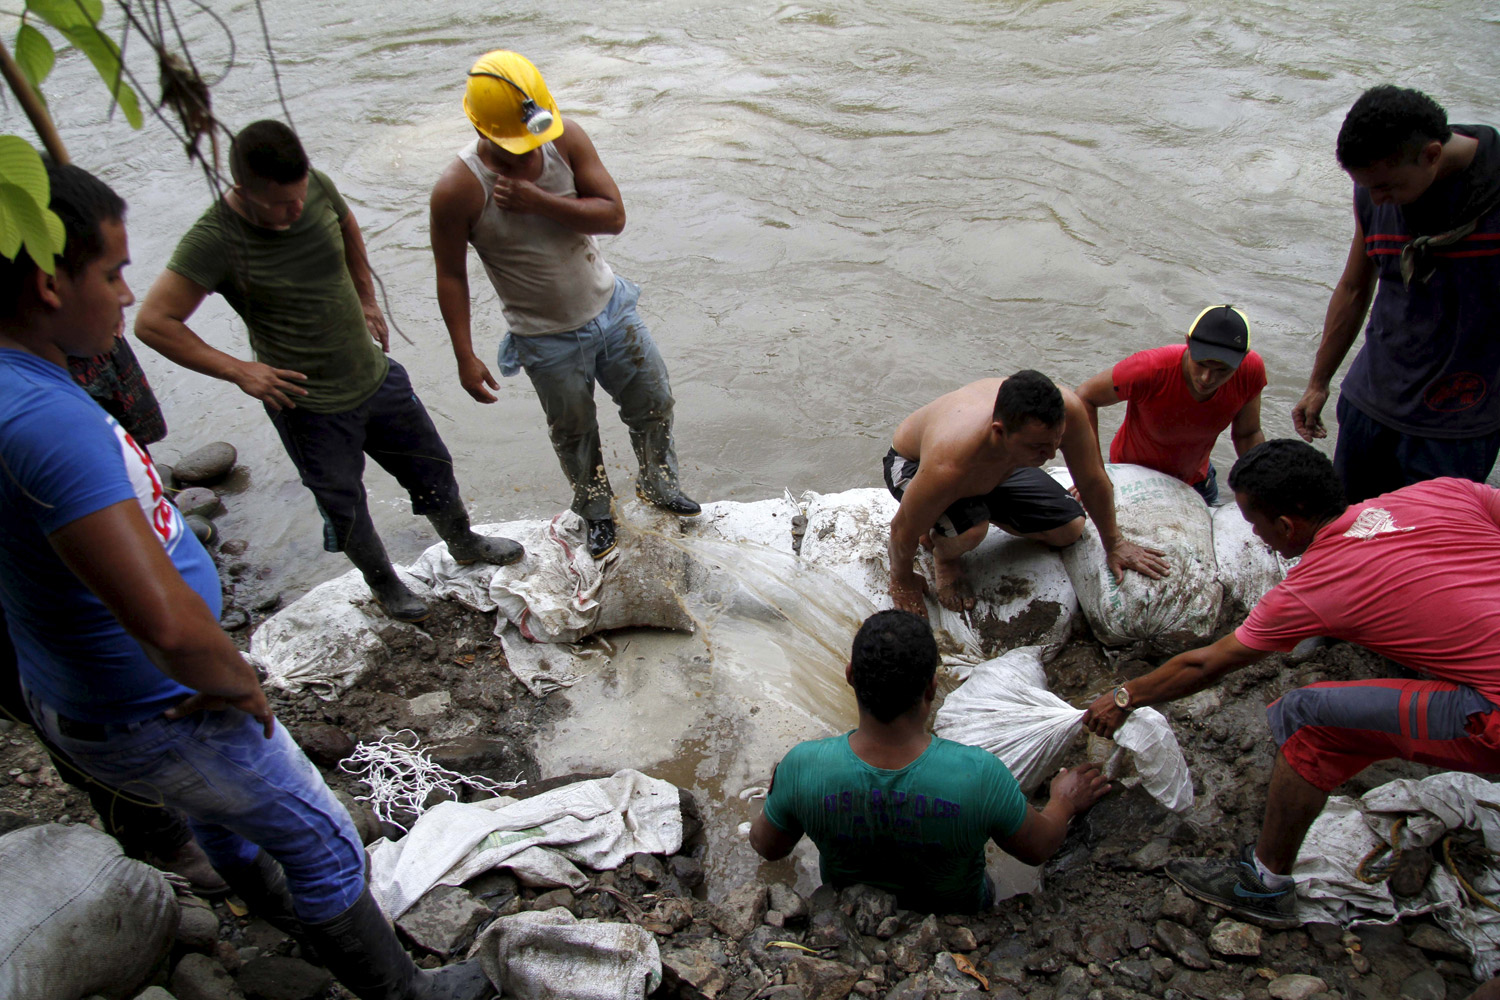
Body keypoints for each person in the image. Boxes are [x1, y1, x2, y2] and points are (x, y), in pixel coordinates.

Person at [0, 162, 491, 999]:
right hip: (161, 701)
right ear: (49, 283)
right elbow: (162, 623)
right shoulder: (45, 421)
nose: (125, 296)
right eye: (114, 273)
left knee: (219, 811)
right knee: (324, 837)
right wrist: (235, 683)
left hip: (92, 695)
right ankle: (402, 992)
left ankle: (269, 905)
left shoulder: (21, 387)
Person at [1081, 439, 1500, 928]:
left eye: (1257, 526)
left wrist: (1125, 695)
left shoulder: (1315, 585)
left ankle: (1262, 885)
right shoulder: (1442, 494)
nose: (1257, 539)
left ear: (1285, 526)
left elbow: (1206, 666)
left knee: (1306, 718)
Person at [136, 120, 521, 624]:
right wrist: (239, 371)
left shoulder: (313, 185)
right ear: (242, 189)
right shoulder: (215, 239)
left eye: (299, 198)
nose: (295, 210)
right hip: (307, 405)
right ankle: (384, 584)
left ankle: (463, 541)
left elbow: (345, 224)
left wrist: (366, 296)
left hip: (373, 374)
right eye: (279, 205)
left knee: (431, 465)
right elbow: (153, 322)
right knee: (344, 503)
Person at [430, 50, 699, 560]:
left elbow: (614, 215)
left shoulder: (565, 138)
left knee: (654, 403)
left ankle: (658, 484)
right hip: (543, 335)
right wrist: (464, 355)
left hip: (611, 308)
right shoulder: (458, 188)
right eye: (514, 146)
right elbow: (450, 276)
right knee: (574, 432)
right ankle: (596, 511)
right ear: (483, 129)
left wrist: (539, 201)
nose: (528, 151)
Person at [749, 609, 1109, 912]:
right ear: (932, 689)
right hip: (961, 914)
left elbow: (768, 848)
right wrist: (1064, 801)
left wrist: (778, 793)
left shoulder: (804, 767)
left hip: (854, 911)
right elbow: (1038, 848)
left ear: (850, 677)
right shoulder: (979, 774)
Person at [1292, 85, 1500, 503]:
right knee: (1349, 533)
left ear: (1432, 155)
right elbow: (1354, 288)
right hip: (1369, 406)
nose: (1376, 199)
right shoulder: (1375, 190)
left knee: (1424, 553)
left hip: (1456, 425)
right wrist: (1319, 382)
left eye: (1387, 187)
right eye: (1365, 187)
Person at [884, 370, 1171, 616]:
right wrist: (902, 579)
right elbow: (902, 529)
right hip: (912, 465)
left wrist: (1115, 543)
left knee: (1070, 528)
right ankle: (943, 550)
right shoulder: (949, 462)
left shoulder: (1067, 411)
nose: (1051, 455)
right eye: (1039, 448)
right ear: (999, 432)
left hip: (1001, 467)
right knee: (972, 531)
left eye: (1056, 442)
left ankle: (959, 515)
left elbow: (1093, 480)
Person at [1075, 305, 1266, 505]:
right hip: (1133, 474)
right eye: (1200, 363)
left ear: (1243, 358)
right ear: (1188, 343)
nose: (1207, 378)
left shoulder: (1250, 371)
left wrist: (1263, 487)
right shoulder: (1150, 369)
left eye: (1222, 370)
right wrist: (1093, 474)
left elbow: (1248, 434)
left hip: (1197, 480)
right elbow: (1084, 397)